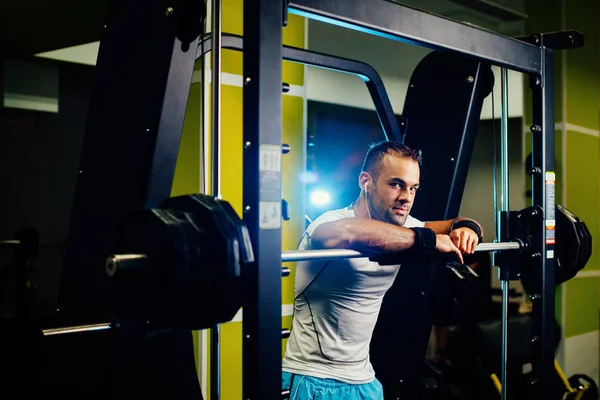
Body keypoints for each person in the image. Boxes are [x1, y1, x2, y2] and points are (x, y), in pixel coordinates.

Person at [282, 141, 484, 400]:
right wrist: (427, 240)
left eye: (413, 188)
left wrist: (467, 228)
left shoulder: (405, 227)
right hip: (315, 378)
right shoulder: (331, 222)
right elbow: (347, 233)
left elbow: (458, 222)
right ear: (366, 181)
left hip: (364, 379)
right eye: (396, 184)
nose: (406, 197)